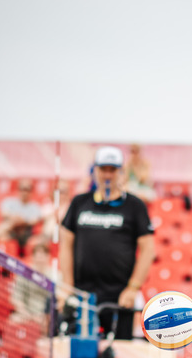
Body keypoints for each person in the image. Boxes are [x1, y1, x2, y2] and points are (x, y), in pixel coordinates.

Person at [59, 146, 156, 340]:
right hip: (82, 296)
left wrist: (132, 288)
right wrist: (67, 288)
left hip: (119, 298)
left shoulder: (135, 206)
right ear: (95, 171)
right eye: (103, 169)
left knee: (118, 357)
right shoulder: (79, 203)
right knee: (82, 354)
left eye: (113, 169)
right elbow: (65, 245)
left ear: (121, 172)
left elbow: (148, 250)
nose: (108, 174)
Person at [0, 178, 43, 257]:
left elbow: (35, 221)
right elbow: (4, 214)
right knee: (3, 236)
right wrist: (18, 219)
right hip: (11, 232)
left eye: (27, 189)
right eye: (22, 189)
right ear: (18, 189)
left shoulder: (35, 207)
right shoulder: (9, 202)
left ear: (31, 191)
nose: (24, 192)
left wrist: (20, 220)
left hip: (25, 234)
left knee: (9, 225)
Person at [10, 236, 53, 323]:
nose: (40, 259)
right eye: (38, 256)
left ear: (48, 257)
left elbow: (58, 301)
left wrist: (46, 316)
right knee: (13, 320)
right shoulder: (24, 274)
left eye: (43, 256)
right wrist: (28, 315)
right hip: (26, 314)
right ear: (33, 257)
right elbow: (16, 298)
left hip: (47, 316)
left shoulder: (55, 276)